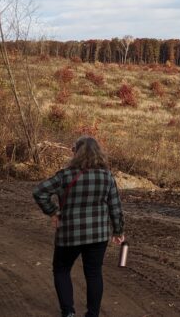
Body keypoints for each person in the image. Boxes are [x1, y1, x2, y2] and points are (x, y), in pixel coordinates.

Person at [33, 136, 125, 317]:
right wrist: (118, 230)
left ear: (76, 153)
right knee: (93, 273)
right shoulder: (107, 176)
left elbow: (39, 192)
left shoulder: (65, 175)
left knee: (61, 269)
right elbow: (115, 206)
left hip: (69, 234)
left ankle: (68, 312)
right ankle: (92, 314)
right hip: (98, 235)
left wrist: (53, 212)